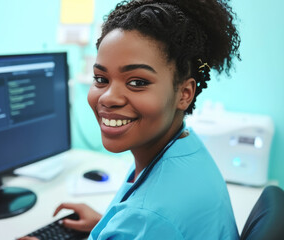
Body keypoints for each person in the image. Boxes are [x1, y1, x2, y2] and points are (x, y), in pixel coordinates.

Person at [21, 0, 241, 239]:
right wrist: (108, 222)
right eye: (101, 78)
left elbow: (151, 219)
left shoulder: (147, 219)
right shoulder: (186, 145)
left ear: (184, 94)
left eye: (137, 82)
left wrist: (128, 226)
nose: (108, 98)